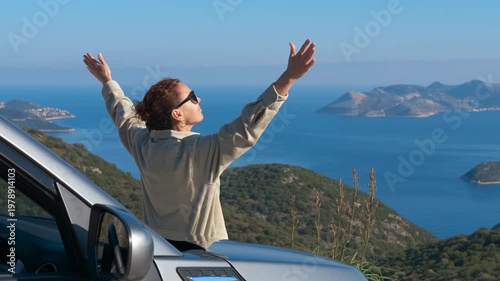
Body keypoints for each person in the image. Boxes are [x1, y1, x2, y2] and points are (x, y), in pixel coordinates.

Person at [83, 39, 316, 251]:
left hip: (159, 251)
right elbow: (248, 126)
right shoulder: (199, 150)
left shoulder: (144, 144)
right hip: (204, 256)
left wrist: (107, 81)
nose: (199, 100)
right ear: (177, 114)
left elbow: (123, 115)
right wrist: (289, 78)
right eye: (192, 97)